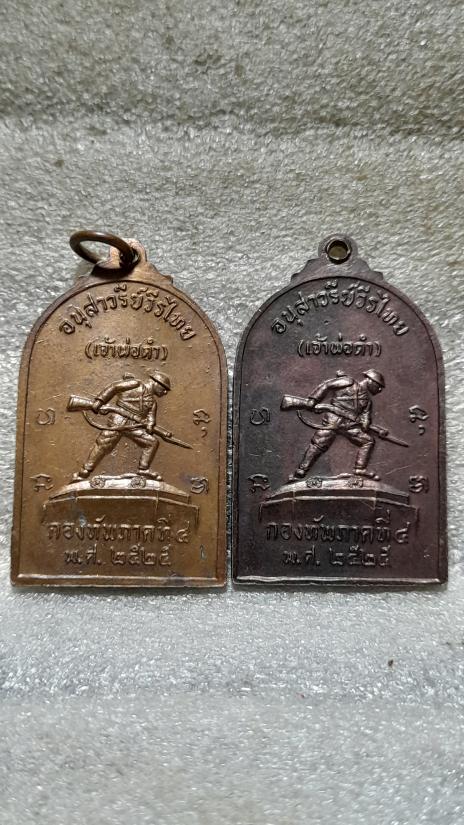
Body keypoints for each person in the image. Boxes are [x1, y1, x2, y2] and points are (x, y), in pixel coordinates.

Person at [72, 371, 172, 482]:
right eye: (164, 388)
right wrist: (100, 401)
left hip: (134, 426)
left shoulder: (152, 403)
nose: (165, 392)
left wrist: (150, 425)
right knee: (104, 444)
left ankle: (143, 469)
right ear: (156, 383)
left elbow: (151, 418)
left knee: (152, 442)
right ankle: (84, 473)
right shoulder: (135, 384)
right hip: (118, 420)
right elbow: (114, 387)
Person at [290, 369, 386, 480]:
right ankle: (301, 470)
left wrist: (368, 424)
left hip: (349, 426)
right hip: (333, 420)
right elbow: (327, 385)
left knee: (368, 441)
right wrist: (313, 399)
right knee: (319, 444)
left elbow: (366, 419)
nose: (379, 389)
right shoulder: (348, 381)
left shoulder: (368, 401)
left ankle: (360, 469)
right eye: (378, 385)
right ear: (370, 380)